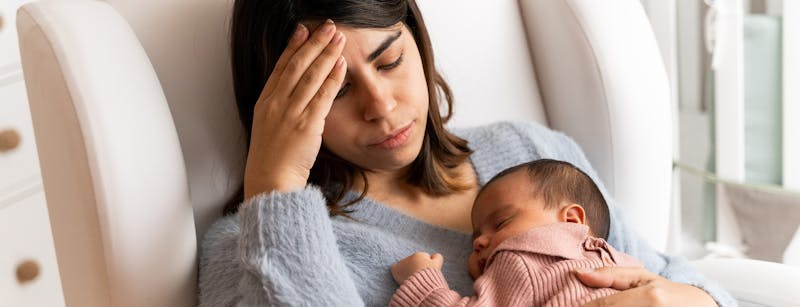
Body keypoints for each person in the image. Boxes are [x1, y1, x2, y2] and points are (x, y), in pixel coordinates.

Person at [198, 0, 735, 306]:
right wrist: (275, 186)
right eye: (335, 90)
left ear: (419, 45)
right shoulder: (247, 248)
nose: (381, 106)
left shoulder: (532, 153)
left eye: (389, 62)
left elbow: (675, 276)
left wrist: (690, 300)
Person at [389, 159, 644, 306]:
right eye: (475, 238)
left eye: (501, 223)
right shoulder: (628, 266)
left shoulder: (523, 257)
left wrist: (423, 284)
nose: (479, 242)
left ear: (571, 220)